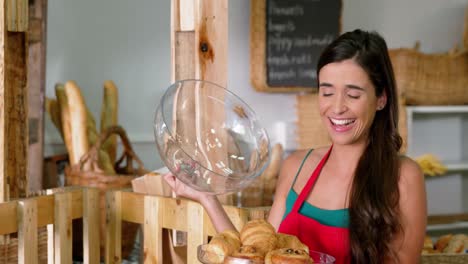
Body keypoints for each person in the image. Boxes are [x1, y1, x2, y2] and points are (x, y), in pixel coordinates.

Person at [163, 29, 427, 264]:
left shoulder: (403, 176)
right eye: (326, 92)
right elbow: (256, 254)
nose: (337, 107)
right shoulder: (296, 166)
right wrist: (206, 198)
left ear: (381, 99)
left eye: (353, 94)